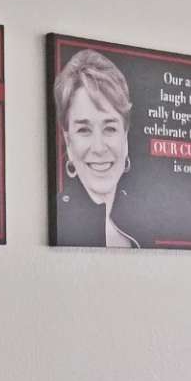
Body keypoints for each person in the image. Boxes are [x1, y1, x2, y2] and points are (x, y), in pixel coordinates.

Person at [52, 45, 142, 248]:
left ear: (125, 136)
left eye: (110, 128)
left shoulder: (145, 228)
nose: (99, 147)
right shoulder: (62, 224)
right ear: (68, 142)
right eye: (84, 130)